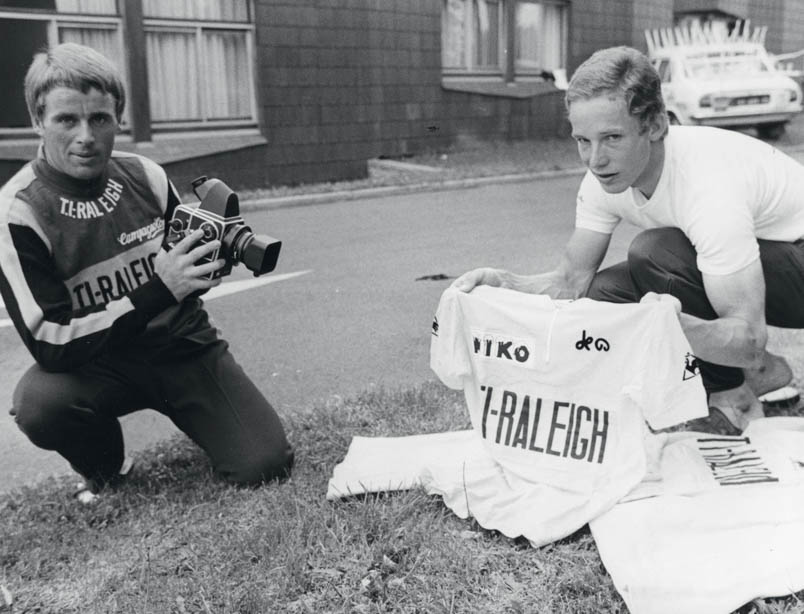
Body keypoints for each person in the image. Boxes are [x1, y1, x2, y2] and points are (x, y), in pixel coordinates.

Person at [453, 45, 804, 433]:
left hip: (797, 260)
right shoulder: (602, 179)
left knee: (655, 254)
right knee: (603, 299)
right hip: (764, 264)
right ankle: (763, 373)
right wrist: (505, 286)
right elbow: (572, 281)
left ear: (655, 126)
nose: (594, 159)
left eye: (612, 137)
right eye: (583, 140)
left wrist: (678, 328)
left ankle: (736, 397)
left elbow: (750, 336)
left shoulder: (708, 188)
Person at [0, 43, 293, 500]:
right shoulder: (18, 212)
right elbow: (50, 342)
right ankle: (105, 466)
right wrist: (158, 289)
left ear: (118, 118)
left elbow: (185, 278)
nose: (86, 137)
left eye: (100, 118)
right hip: (95, 366)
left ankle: (210, 417)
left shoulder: (146, 175)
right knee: (39, 405)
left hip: (181, 347)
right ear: (38, 122)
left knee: (265, 464)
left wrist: (209, 264)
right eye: (66, 120)